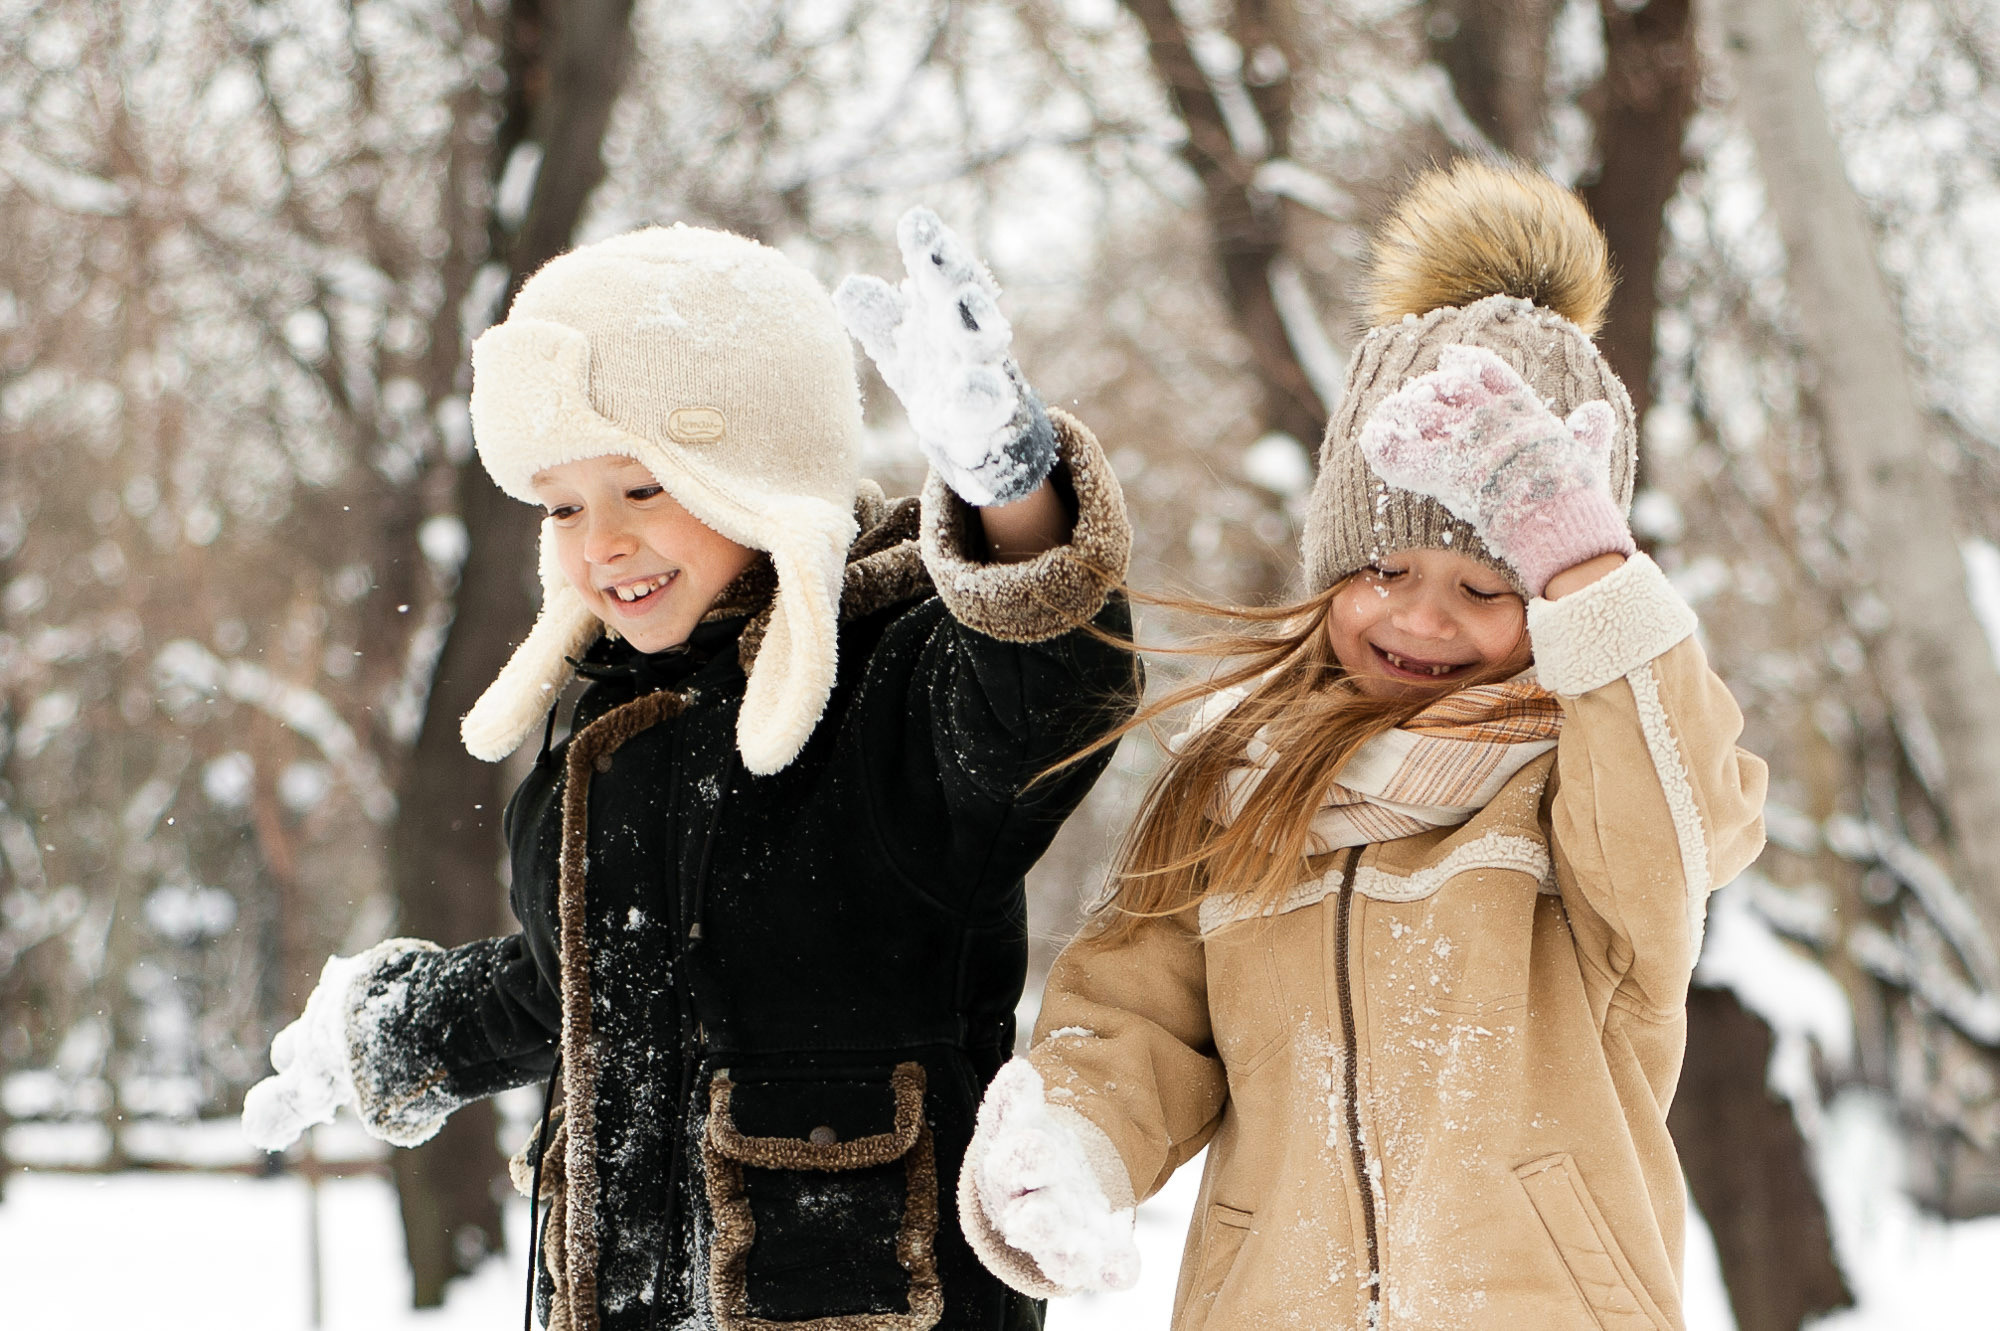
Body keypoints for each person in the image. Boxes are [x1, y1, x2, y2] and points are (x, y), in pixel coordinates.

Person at [241, 211, 1139, 1331]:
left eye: (643, 488)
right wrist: (399, 1030)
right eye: (564, 505)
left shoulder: (895, 688)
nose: (598, 542)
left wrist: (1011, 493)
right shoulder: (602, 727)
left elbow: (1052, 692)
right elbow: (574, 979)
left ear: (758, 472)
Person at [955, 160, 1769, 1331]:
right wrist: (1074, 1145)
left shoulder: (1582, 792)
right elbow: (1133, 1017)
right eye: (1382, 569)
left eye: (1485, 583)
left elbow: (1678, 811)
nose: (1420, 618)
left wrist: (1582, 560)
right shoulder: (1238, 784)